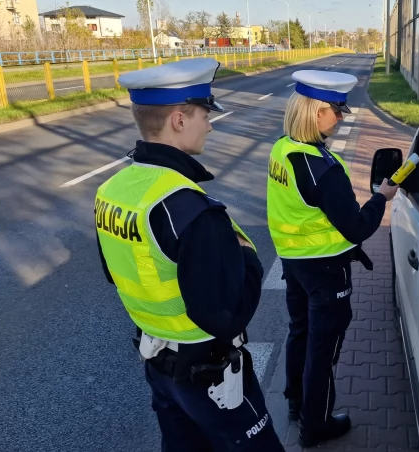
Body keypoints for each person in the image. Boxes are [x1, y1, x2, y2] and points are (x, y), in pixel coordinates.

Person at [95, 58, 284, 452]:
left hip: (159, 366)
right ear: (179, 119)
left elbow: (118, 273)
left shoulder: (111, 190)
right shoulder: (192, 210)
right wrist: (249, 259)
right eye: (204, 114)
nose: (210, 125)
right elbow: (223, 316)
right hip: (210, 373)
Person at [265, 70, 399, 447]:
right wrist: (381, 198)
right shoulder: (323, 169)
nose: (341, 118)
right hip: (326, 270)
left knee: (301, 332)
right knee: (323, 352)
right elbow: (356, 228)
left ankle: (294, 402)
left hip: (295, 263)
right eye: (336, 111)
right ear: (315, 111)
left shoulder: (283, 148)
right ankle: (316, 424)